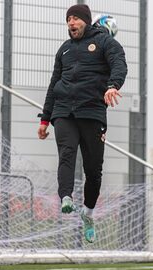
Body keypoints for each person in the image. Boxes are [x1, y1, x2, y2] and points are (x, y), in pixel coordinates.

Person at [37, 4, 127, 243]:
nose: (71, 23)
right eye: (68, 20)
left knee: (93, 170)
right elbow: (53, 84)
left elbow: (119, 64)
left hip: (92, 112)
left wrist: (113, 86)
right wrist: (46, 118)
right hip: (64, 111)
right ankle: (66, 197)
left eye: (75, 19)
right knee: (66, 153)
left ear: (86, 21)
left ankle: (88, 213)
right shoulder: (64, 50)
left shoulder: (106, 43)